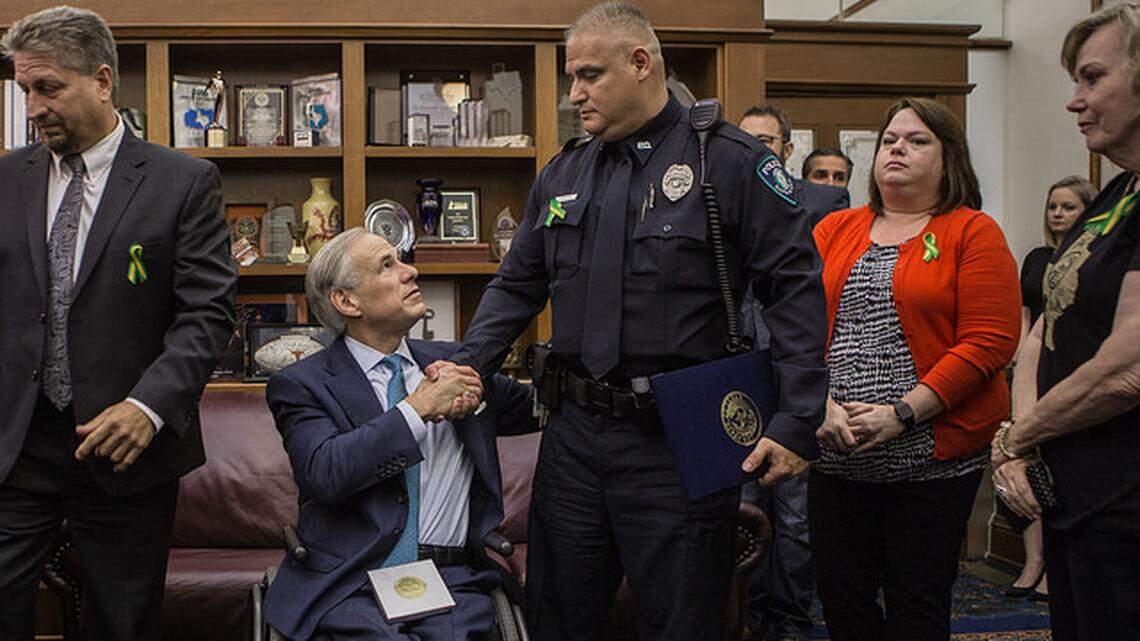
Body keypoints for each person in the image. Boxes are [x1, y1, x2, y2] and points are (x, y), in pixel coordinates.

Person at [433, 3, 830, 639]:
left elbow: (795, 293)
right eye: (572, 78)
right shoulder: (564, 172)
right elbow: (517, 285)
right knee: (557, 618)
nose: (574, 94)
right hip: (573, 438)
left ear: (640, 63)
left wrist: (797, 418)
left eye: (589, 75)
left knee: (682, 623)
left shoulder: (726, 161)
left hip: (679, 439)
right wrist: (467, 363)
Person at [0, 7, 237, 640]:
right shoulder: (4, 179)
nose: (32, 107)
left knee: (123, 624)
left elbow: (209, 312)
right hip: (17, 446)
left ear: (103, 81)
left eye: (48, 88)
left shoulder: (182, 182)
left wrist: (148, 406)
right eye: (24, 89)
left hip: (127, 448)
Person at [811, 97, 1020, 641]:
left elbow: (988, 343)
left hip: (931, 461)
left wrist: (902, 414)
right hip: (836, 456)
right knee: (840, 598)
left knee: (916, 603)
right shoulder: (834, 229)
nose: (897, 147)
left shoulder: (973, 231)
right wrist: (821, 404)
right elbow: (795, 328)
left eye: (916, 139)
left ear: (949, 158)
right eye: (888, 140)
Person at [263, 229, 537, 641]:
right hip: (350, 586)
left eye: (403, 260)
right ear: (347, 301)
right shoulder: (302, 384)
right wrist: (418, 408)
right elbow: (325, 472)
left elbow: (549, 407)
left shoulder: (457, 366)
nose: (411, 271)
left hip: (452, 583)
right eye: (387, 265)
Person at [993, 5, 1140, 639]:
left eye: (1091, 78)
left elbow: (1128, 367)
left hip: (1126, 501)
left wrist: (1018, 440)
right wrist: (1023, 434)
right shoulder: (1117, 192)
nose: (1074, 101)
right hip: (1075, 495)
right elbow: (1044, 326)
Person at [737, 105, 849, 641]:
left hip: (799, 387)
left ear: (786, 151)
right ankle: (750, 618)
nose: (759, 149)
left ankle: (792, 621)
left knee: (799, 521)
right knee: (745, 513)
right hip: (741, 388)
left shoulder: (821, 207)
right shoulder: (722, 203)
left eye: (768, 141)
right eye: (748, 140)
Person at [1000, 175, 1094, 601]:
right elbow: (1027, 314)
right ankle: (1033, 559)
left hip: (1075, 372)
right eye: (1053, 206)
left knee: (1060, 468)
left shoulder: (1095, 259)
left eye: (1068, 207)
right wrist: (1019, 359)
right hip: (1032, 368)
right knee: (1021, 464)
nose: (1058, 214)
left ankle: (1055, 570)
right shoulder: (1039, 258)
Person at [740, 105, 851, 226]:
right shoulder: (723, 198)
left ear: (787, 150)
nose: (751, 147)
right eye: (743, 141)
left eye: (764, 141)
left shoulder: (824, 202)